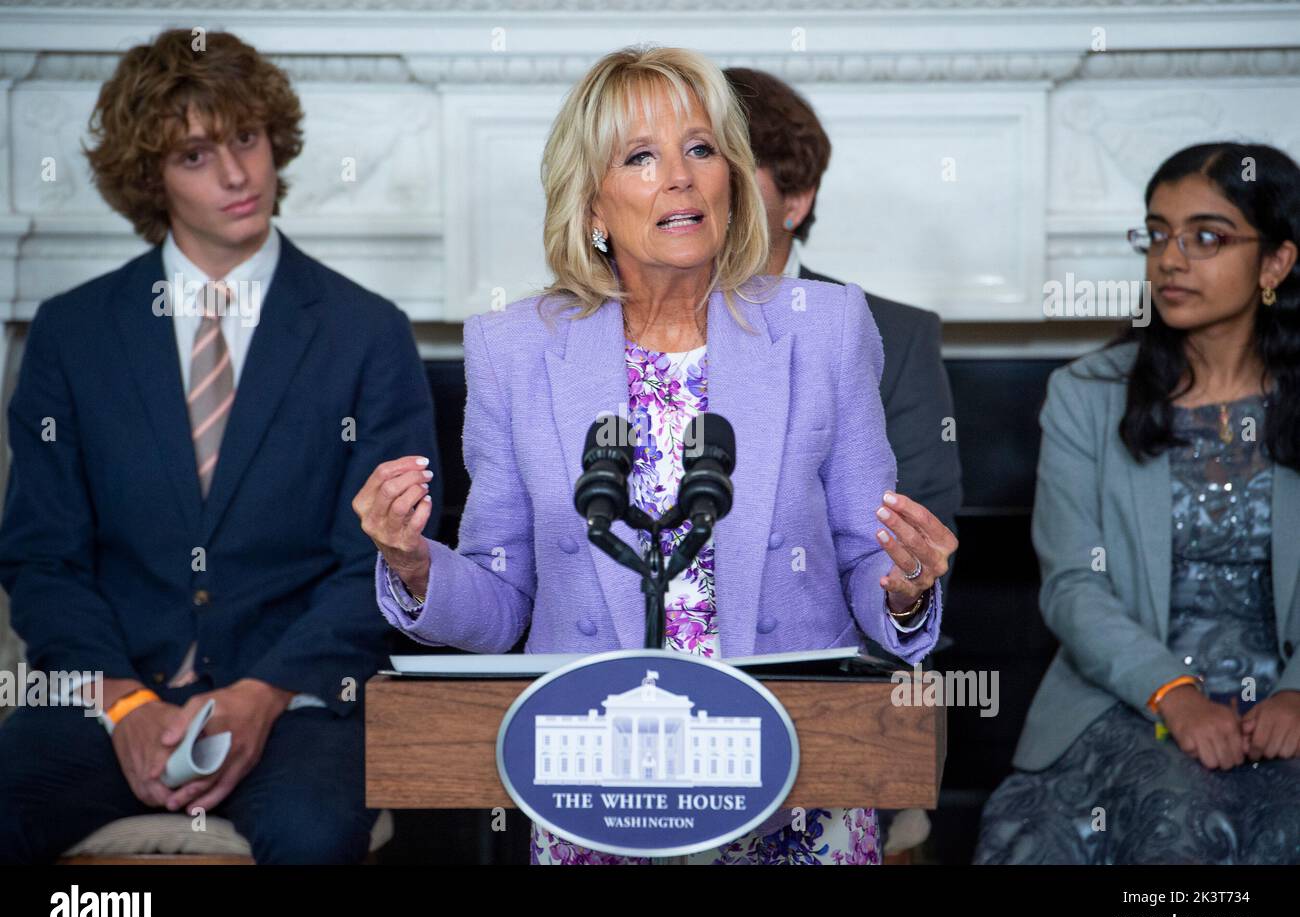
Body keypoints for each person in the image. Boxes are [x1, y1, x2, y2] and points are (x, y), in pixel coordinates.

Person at [354, 45, 957, 865]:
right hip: (598, 782)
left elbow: (866, 560)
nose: (680, 176)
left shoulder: (825, 326)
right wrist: (415, 563)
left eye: (700, 149)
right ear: (593, 205)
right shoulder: (515, 349)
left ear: (732, 178)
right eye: (641, 156)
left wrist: (907, 588)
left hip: (791, 768)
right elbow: (501, 600)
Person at [0, 30, 440, 864]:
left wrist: (263, 692)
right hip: (111, 695)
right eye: (196, 155)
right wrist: (124, 703)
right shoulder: (72, 333)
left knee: (313, 835)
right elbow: (41, 557)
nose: (237, 175)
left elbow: (380, 563)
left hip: (303, 698)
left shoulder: (367, 332)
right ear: (150, 178)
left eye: (246, 139)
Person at [975, 142, 1300, 864]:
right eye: (1158, 234)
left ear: (1276, 262)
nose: (1171, 259)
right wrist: (1175, 694)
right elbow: (1072, 585)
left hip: (1285, 703)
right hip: (1131, 700)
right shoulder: (1086, 395)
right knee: (1176, 817)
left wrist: (1295, 694)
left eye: (1205, 237)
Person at [724, 67, 961, 549]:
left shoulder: (897, 336)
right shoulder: (636, 326)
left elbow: (913, 550)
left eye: (733, 167)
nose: (698, 186)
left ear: (795, 198)